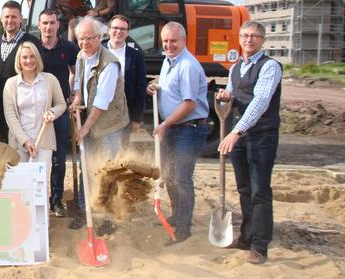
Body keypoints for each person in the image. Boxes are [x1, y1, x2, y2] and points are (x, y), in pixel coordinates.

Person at [216, 21, 281, 265]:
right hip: (240, 135)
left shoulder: (269, 67)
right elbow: (233, 95)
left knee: (259, 191)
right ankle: (246, 237)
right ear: (239, 38)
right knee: (244, 189)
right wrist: (225, 97)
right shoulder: (236, 68)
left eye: (254, 36)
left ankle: (260, 246)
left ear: (262, 40)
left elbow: (261, 100)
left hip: (261, 136)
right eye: (245, 35)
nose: (249, 40)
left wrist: (237, 131)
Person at [147, 22, 209, 245]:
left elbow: (189, 104)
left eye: (173, 41)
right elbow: (170, 89)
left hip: (188, 129)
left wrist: (164, 125)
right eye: (165, 41)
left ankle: (184, 228)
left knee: (182, 179)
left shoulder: (187, 66)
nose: (169, 45)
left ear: (183, 41)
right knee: (169, 175)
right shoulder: (168, 61)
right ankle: (176, 215)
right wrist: (154, 87)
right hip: (173, 128)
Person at [71, 17, 129, 232]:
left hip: (108, 124)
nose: (85, 43)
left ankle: (109, 219)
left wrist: (85, 128)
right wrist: (77, 98)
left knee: (108, 171)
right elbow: (78, 82)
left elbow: (102, 102)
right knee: (86, 168)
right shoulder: (80, 56)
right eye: (81, 39)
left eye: (90, 38)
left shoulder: (110, 63)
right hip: (90, 119)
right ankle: (84, 211)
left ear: (100, 37)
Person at [37, 9, 79, 218]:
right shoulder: (34, 47)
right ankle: (37, 199)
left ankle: (56, 200)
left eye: (52, 23)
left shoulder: (69, 48)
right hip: (38, 110)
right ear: (39, 25)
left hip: (60, 110)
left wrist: (72, 94)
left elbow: (76, 72)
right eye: (45, 23)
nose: (48, 27)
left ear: (57, 25)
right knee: (36, 154)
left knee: (58, 158)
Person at [3, 42, 66, 168]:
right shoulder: (11, 84)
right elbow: (10, 116)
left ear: (37, 59)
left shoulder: (50, 79)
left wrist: (52, 112)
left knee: (41, 185)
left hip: (43, 141)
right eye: (24, 57)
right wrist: (25, 141)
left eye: (32, 57)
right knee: (21, 185)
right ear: (19, 61)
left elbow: (61, 104)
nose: (29, 60)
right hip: (19, 144)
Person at [0, 0, 39, 143]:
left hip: (21, 109)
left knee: (19, 149)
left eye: (13, 17)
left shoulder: (31, 42)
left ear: (21, 19)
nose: (9, 20)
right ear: (1, 19)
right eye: (6, 17)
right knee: (0, 149)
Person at [102, 15, 148, 148]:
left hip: (124, 114)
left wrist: (137, 118)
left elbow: (140, 87)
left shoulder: (135, 55)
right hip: (100, 112)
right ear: (109, 30)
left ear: (128, 32)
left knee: (120, 152)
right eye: (115, 28)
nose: (119, 31)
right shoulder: (98, 50)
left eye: (123, 29)